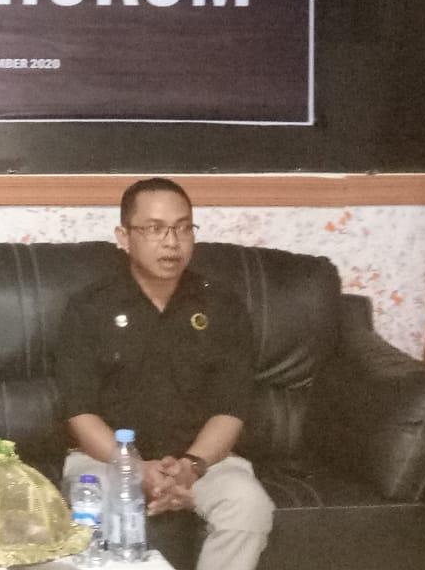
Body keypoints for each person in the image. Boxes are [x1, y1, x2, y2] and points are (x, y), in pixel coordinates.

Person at [57, 178, 274, 570]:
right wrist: (134, 469)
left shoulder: (222, 306)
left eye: (183, 227)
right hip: (107, 461)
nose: (172, 242)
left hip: (203, 463)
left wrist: (191, 467)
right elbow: (80, 411)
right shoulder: (87, 308)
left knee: (249, 506)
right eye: (154, 229)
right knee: (93, 506)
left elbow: (231, 408)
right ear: (124, 237)